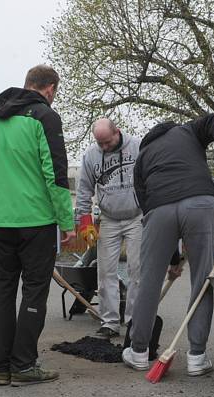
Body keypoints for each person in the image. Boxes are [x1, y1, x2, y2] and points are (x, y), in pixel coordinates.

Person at [0, 64, 76, 387]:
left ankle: (1, 366)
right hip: (37, 222)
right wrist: (66, 220)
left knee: (3, 292)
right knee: (34, 291)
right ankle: (24, 364)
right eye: (54, 93)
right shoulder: (44, 118)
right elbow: (56, 173)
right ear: (50, 89)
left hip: (1, 222)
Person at [123, 113, 214, 376]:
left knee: (149, 281)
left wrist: (170, 260)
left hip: (159, 210)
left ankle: (139, 351)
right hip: (200, 204)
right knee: (202, 280)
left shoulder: (142, 157)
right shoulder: (188, 130)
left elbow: (146, 205)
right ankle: (197, 357)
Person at [75, 118, 142, 339]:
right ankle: (109, 322)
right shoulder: (92, 155)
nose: (104, 147)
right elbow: (84, 188)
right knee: (105, 272)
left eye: (107, 142)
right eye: (99, 143)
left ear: (117, 132)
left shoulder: (137, 147)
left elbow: (152, 178)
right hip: (109, 218)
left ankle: (134, 322)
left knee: (137, 270)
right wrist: (84, 221)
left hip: (136, 216)